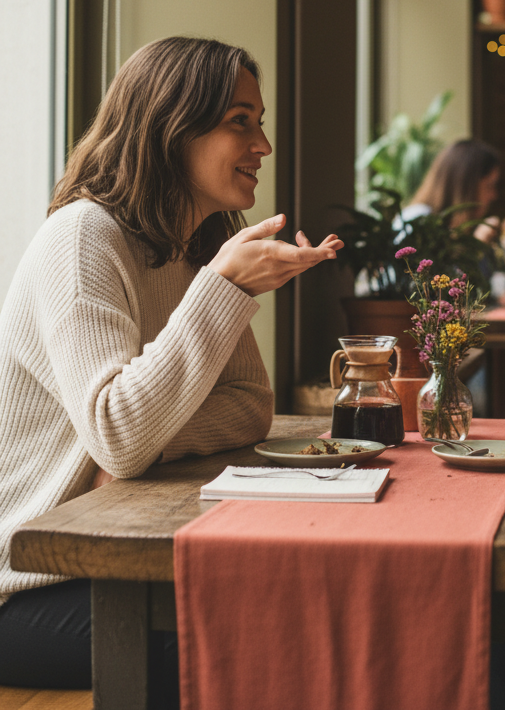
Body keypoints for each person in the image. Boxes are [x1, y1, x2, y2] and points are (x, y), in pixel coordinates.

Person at [0, 36, 342, 703]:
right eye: (240, 121)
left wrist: (146, 445)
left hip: (114, 556)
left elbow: (249, 404)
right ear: (171, 127)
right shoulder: (82, 238)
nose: (263, 145)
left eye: (260, 122)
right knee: (265, 636)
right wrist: (223, 286)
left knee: (307, 597)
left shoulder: (194, 246)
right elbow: (119, 433)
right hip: (27, 585)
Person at [400, 139, 501, 244]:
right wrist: (477, 244)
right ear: (466, 187)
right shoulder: (416, 222)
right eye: (489, 186)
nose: (494, 195)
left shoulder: (451, 227)